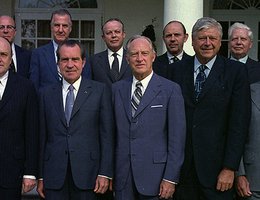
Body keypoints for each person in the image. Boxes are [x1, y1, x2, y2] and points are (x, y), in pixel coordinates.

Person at [169, 17, 251, 200]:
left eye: (212, 38)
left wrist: (230, 168)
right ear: (192, 41)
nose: (207, 43)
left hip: (218, 172)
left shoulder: (235, 72)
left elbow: (239, 122)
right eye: (202, 38)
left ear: (220, 42)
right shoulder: (175, 70)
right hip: (183, 171)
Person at [37, 40, 114, 200]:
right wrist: (41, 176)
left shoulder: (99, 91)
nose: (70, 64)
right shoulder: (45, 94)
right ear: (58, 63)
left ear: (83, 62)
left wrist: (105, 172)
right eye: (65, 60)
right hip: (54, 176)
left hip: (89, 175)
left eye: (75, 59)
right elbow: (41, 137)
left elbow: (107, 135)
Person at [112, 35, 186, 200]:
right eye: (134, 54)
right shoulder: (116, 89)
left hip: (156, 177)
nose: (139, 59)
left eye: (144, 53)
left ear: (153, 56)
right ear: (127, 59)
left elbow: (177, 139)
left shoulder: (170, 90)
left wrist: (170, 178)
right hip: (123, 176)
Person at [0, 37, 38, 199]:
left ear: (10, 59)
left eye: (3, 54)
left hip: (11, 171)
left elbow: (31, 132)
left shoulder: (25, 87)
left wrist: (30, 172)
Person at [229, 23, 260, 200]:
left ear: (250, 44)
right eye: (235, 39)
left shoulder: (258, 71)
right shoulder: (220, 67)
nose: (239, 42)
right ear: (228, 42)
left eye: (243, 39)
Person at [29, 9, 91, 91]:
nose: (60, 30)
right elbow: (34, 87)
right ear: (51, 28)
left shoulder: (81, 52)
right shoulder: (38, 54)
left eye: (65, 26)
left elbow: (86, 83)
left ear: (70, 29)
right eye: (57, 25)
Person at [90, 18, 132, 90]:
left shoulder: (133, 58)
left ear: (123, 35)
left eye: (117, 31)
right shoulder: (93, 61)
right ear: (103, 37)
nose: (113, 35)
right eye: (109, 33)